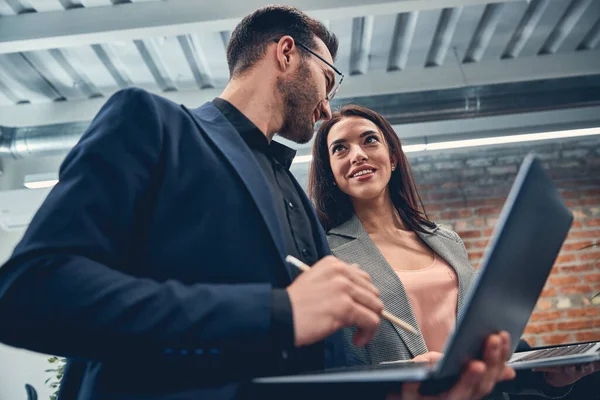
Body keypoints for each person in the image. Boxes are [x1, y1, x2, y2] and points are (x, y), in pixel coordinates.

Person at [0, 6, 513, 400]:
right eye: (328, 80)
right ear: (286, 54)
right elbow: (32, 291)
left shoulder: (297, 195)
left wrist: (397, 387)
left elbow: (320, 363)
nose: (327, 104)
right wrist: (276, 311)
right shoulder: (154, 125)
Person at [308, 104, 600, 399]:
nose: (357, 155)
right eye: (340, 149)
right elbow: (335, 364)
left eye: (369, 140)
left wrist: (547, 377)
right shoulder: (328, 254)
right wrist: (395, 375)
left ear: (393, 158)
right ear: (332, 173)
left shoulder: (448, 241)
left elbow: (480, 340)